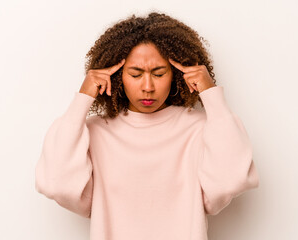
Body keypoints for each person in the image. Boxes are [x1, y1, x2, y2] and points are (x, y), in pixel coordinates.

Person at [35, 11, 259, 240]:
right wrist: (83, 99)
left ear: (176, 75)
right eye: (135, 74)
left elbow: (231, 181)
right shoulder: (95, 132)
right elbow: (57, 184)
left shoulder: (200, 128)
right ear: (118, 76)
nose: (148, 86)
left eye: (159, 73)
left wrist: (212, 96)